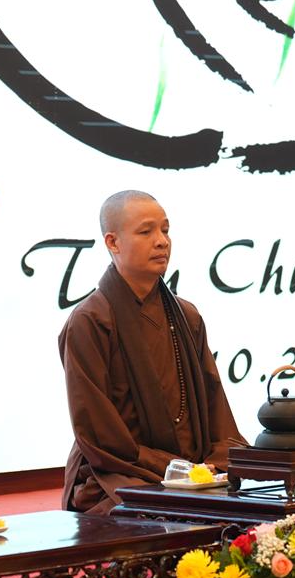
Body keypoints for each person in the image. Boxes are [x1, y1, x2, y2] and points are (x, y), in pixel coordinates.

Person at [59, 190, 245, 515]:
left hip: (194, 471)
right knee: (151, 514)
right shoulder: (90, 321)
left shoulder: (186, 316)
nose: (162, 241)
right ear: (113, 242)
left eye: (165, 230)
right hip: (119, 475)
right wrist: (175, 470)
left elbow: (216, 409)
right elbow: (99, 435)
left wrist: (215, 463)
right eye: (146, 231)